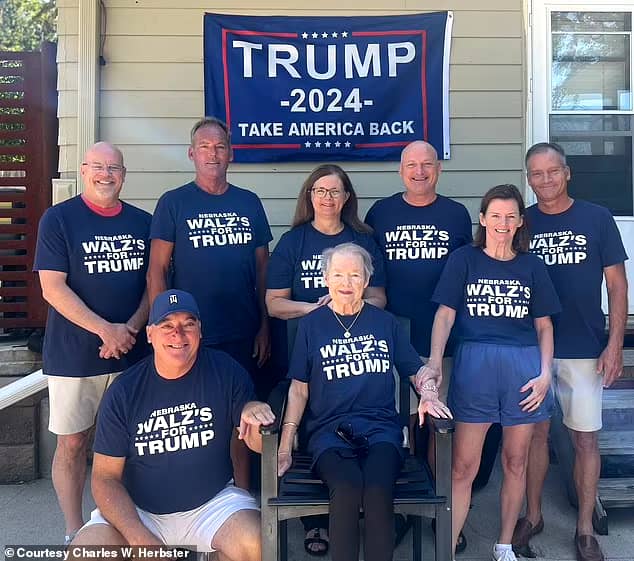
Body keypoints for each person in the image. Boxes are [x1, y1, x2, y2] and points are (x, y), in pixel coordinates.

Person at [70, 289, 275, 561]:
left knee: (258, 544)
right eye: (167, 325)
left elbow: (256, 440)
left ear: (200, 331)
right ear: (150, 334)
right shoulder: (124, 391)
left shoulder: (226, 371)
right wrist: (139, 538)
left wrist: (256, 415)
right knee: (86, 552)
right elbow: (104, 478)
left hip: (212, 504)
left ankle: (212, 553)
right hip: (140, 511)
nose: (178, 334)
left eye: (188, 324)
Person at [277, 242, 451, 561]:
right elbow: (299, 390)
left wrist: (427, 392)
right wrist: (285, 447)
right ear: (325, 279)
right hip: (328, 433)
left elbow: (415, 370)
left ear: (367, 280)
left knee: (377, 488)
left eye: (355, 275)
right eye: (338, 274)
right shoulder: (311, 325)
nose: (346, 283)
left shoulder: (385, 323)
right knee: (346, 488)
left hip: (381, 431)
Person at [428, 184, 561, 561]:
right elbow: (445, 315)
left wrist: (545, 374)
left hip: (523, 368)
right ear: (483, 219)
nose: (503, 223)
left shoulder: (532, 266)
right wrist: (435, 362)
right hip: (476, 365)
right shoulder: (464, 260)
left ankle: (504, 546)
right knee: (462, 467)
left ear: (520, 222)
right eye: (496, 215)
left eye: (510, 216)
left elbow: (544, 326)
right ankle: (447, 548)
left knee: (516, 461)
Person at [513, 143, 628, 561]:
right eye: (536, 173)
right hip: (531, 348)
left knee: (585, 439)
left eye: (552, 171)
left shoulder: (597, 218)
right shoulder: (521, 222)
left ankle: (584, 529)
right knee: (535, 437)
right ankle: (533, 515)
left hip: (584, 345)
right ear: (529, 178)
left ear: (567, 173)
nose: (545, 179)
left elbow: (617, 285)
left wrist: (615, 344)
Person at [33, 142, 152, 545]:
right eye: (98, 167)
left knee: (136, 443)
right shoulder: (58, 219)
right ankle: (74, 529)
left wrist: (128, 329)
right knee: (72, 443)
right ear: (84, 170)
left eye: (114, 168)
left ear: (124, 175)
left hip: (133, 352)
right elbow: (52, 287)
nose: (106, 175)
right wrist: (106, 330)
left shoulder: (143, 222)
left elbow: (153, 284)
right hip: (74, 355)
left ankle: (133, 525)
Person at [266, 164, 386, 555]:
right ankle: (316, 523)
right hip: (306, 353)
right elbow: (274, 303)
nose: (327, 198)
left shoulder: (363, 239)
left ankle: (357, 517)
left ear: (347, 197)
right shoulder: (293, 242)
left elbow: (379, 298)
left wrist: (347, 306)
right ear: (310, 196)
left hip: (355, 356)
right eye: (320, 191)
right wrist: (318, 310)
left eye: (335, 191)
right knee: (314, 433)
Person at [147, 116, 273, 489]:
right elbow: (156, 270)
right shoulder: (174, 203)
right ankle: (194, 491)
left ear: (231, 153)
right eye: (204, 147)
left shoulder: (248, 202)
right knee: (195, 418)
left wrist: (265, 326)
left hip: (242, 331)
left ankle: (243, 495)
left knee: (241, 418)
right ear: (192, 154)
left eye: (220, 146)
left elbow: (263, 270)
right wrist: (159, 329)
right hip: (188, 335)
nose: (213, 154)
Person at [365, 140, 472, 551]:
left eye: (427, 164)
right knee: (400, 426)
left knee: (436, 427)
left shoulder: (456, 215)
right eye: (412, 164)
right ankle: (398, 510)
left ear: (439, 169)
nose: (420, 171)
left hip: (440, 339)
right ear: (400, 170)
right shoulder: (381, 213)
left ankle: (438, 510)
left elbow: (466, 276)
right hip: (390, 340)